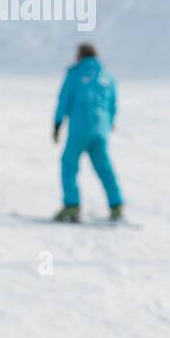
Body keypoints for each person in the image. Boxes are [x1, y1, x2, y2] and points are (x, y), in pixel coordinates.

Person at [53, 43, 123, 222]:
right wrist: (109, 122)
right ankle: (116, 205)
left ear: (80, 55)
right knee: (104, 168)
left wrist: (57, 123)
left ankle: (72, 205)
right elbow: (113, 103)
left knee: (68, 165)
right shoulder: (106, 75)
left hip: (79, 129)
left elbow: (64, 98)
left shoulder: (75, 74)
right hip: (101, 129)